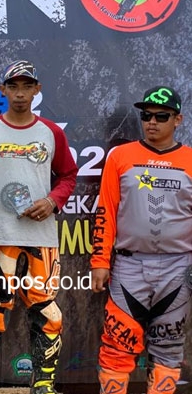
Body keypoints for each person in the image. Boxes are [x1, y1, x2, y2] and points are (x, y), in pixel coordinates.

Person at [0, 60, 78, 394]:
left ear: (36, 89)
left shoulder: (51, 132)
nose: (19, 93)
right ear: (3, 90)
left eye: (26, 86)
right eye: (13, 87)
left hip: (41, 240)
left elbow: (68, 175)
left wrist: (53, 201)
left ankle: (43, 383)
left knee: (46, 311)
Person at [91, 85, 192, 394]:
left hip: (178, 266)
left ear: (178, 119)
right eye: (146, 116)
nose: (152, 122)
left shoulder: (190, 159)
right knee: (117, 343)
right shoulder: (121, 156)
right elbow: (106, 210)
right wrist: (99, 261)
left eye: (161, 116)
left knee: (168, 346)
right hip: (129, 265)